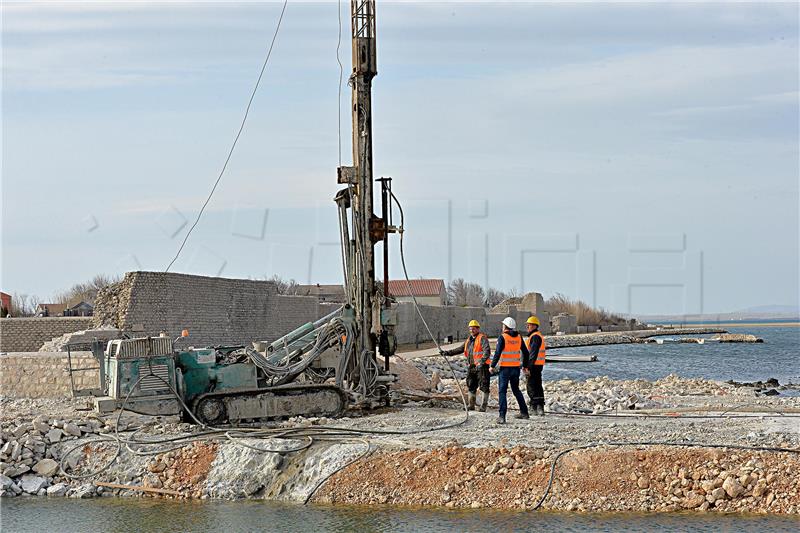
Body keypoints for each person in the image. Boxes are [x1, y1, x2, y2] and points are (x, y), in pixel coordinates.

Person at [441, 320, 491, 411]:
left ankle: (483, 406)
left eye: (474, 329)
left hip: (482, 367)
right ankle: (471, 405)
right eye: (471, 329)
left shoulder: (482, 338)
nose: (472, 330)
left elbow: (487, 351)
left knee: (484, 385)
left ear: (478, 329)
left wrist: (481, 362)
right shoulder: (469, 340)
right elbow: (460, 349)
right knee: (471, 385)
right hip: (472, 366)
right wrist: (447, 353)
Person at [489, 317, 530, 424]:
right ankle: (524, 412)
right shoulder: (519, 337)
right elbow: (526, 352)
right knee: (516, 389)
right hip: (516, 368)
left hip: (505, 369)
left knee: (502, 391)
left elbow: (497, 353)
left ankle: (502, 416)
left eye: (503, 325)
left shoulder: (503, 337)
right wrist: (525, 366)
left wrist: (492, 366)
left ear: (505, 326)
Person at [523, 315, 546, 416]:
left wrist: (528, 367)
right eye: (527, 325)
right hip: (538, 365)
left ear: (534, 326)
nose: (527, 327)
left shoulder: (535, 337)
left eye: (529, 325)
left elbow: (533, 354)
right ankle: (540, 408)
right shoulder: (537, 336)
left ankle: (533, 407)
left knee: (531, 386)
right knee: (538, 385)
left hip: (534, 365)